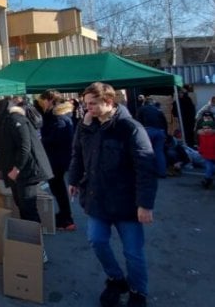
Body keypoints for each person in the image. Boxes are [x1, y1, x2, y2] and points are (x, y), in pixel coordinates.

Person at [68, 82, 157, 307]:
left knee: (133, 253)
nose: (87, 108)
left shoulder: (130, 128)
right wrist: (74, 180)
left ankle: (138, 291)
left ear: (108, 102)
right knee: (96, 240)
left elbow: (146, 167)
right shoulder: (87, 125)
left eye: (92, 104)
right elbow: (78, 154)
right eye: (86, 104)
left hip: (127, 202)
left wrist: (145, 204)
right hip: (97, 198)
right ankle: (116, 279)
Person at [0, 97, 53, 227]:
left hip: (28, 170)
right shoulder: (5, 123)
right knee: (22, 205)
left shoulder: (15, 119)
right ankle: (29, 241)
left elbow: (25, 146)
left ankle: (36, 245)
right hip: (20, 169)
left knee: (28, 207)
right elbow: (4, 149)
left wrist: (17, 168)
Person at [40, 98, 76, 231]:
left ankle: (66, 218)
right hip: (59, 158)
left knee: (58, 189)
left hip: (57, 159)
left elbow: (56, 139)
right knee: (58, 189)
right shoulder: (65, 118)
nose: (45, 104)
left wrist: (42, 140)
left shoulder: (60, 119)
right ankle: (65, 216)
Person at [136, 97, 169, 178]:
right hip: (160, 131)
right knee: (159, 152)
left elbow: (137, 122)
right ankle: (162, 172)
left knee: (146, 152)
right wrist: (165, 134)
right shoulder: (158, 110)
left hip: (148, 130)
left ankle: (148, 173)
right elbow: (165, 122)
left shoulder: (142, 109)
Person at [196, 111, 215, 188]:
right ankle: (208, 178)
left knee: (209, 165)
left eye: (208, 117)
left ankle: (207, 179)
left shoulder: (201, 133)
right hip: (210, 151)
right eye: (205, 117)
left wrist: (200, 150)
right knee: (209, 165)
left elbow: (199, 142)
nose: (207, 119)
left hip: (207, 152)